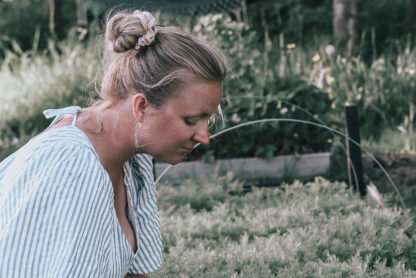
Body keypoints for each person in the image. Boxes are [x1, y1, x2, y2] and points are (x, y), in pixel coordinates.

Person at [0, 9, 226, 277]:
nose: (204, 137)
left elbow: (134, 273)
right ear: (141, 106)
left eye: (207, 121)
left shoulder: (133, 155)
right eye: (191, 120)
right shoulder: (71, 165)